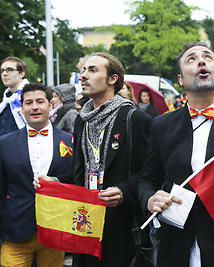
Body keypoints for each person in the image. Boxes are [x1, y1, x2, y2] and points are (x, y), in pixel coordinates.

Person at [139, 41, 214, 266]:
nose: (201, 61)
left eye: (207, 57)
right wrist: (150, 199)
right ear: (180, 80)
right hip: (175, 246)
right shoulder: (161, 125)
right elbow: (148, 178)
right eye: (191, 59)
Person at [73, 52, 152, 266]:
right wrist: (55, 180)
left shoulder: (134, 119)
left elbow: (151, 173)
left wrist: (124, 191)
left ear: (112, 79)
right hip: (86, 220)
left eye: (92, 70)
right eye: (82, 70)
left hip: (121, 224)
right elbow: (79, 169)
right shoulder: (82, 121)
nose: (83, 76)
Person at [0, 83, 74, 267]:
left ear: (50, 105)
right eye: (28, 102)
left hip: (54, 230)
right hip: (15, 231)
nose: (34, 107)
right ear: (21, 108)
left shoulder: (69, 140)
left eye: (40, 101)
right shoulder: (6, 143)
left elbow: (75, 178)